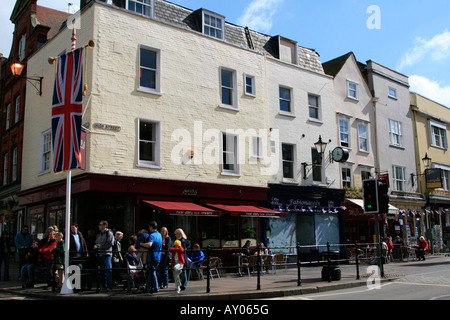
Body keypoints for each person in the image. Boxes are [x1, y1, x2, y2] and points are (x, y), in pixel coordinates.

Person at [141, 221, 162, 293]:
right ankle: (147, 286)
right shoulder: (159, 235)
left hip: (152, 256)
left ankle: (156, 287)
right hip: (158, 256)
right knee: (151, 272)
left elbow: (149, 244)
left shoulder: (152, 235)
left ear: (150, 227)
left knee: (152, 271)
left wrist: (142, 244)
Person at [94, 221, 115, 292]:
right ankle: (103, 286)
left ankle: (109, 286)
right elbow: (96, 242)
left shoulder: (109, 233)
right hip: (100, 254)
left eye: (100, 225)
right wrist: (96, 246)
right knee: (101, 272)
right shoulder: (99, 234)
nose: (99, 226)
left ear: (105, 226)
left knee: (108, 270)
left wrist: (101, 247)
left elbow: (110, 243)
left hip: (106, 254)